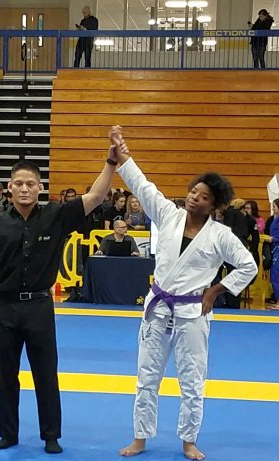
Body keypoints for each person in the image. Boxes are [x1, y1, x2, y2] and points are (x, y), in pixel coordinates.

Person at [107, 126, 257, 460]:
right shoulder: (168, 216)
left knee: (192, 380)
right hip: (158, 308)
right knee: (147, 377)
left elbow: (248, 266)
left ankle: (189, 440)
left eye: (203, 196)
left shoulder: (221, 235)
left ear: (214, 205)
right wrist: (121, 152)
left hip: (193, 314)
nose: (194, 197)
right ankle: (140, 437)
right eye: (193, 191)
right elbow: (143, 186)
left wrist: (216, 289)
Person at [0, 158, 117, 454]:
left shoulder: (56, 215)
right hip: (5, 307)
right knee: (6, 374)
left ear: (40, 188)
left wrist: (111, 162)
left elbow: (95, 197)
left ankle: (51, 435)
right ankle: (8, 434)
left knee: (45, 373)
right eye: (18, 184)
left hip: (39, 306)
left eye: (30, 184)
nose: (24, 189)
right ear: (9, 188)